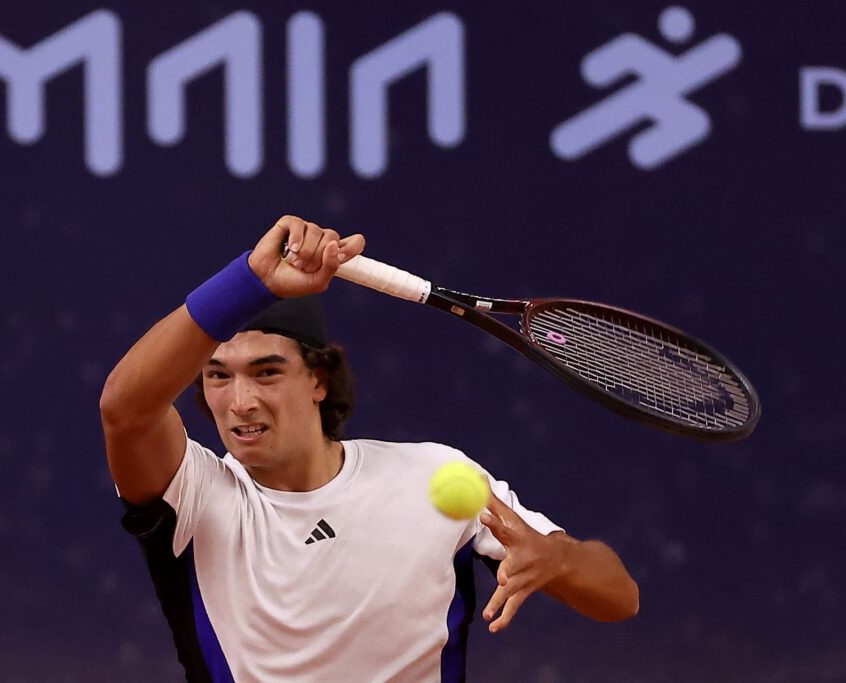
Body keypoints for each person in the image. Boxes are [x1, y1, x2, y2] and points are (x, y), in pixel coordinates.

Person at [100, 216, 639, 682]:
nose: (240, 402)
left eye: (266, 373)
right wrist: (250, 281)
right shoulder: (192, 496)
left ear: (318, 381)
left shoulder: (433, 476)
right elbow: (124, 409)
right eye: (218, 376)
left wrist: (558, 559)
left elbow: (619, 597)